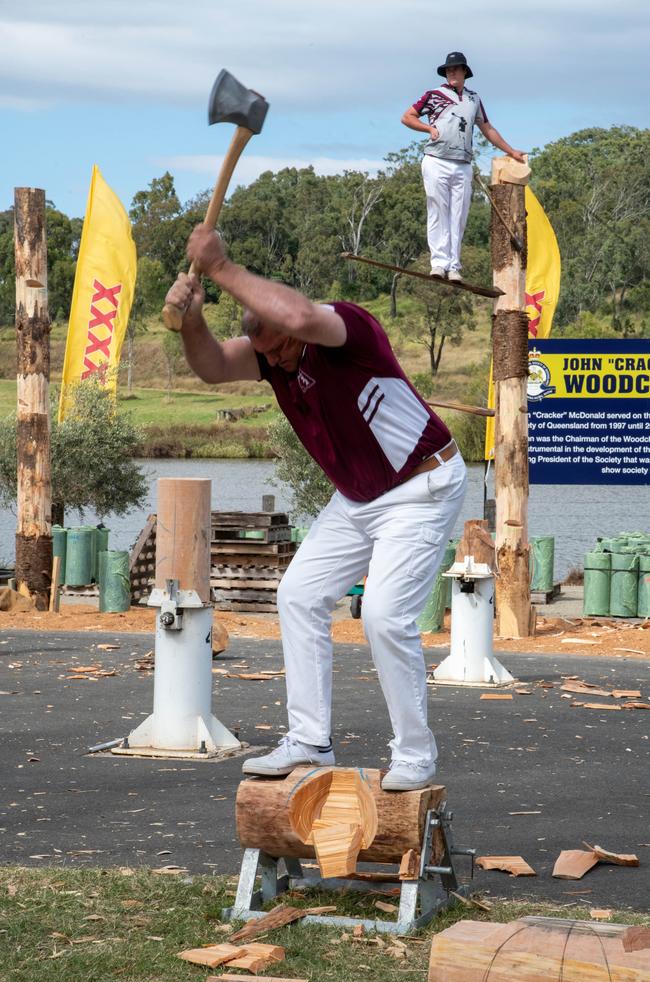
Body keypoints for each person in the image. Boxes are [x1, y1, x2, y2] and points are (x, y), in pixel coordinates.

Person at [164, 225, 467, 790]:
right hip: (359, 497)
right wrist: (194, 319)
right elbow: (210, 366)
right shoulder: (270, 356)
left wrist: (222, 267)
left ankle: (415, 755)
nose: (275, 361)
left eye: (280, 347)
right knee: (299, 595)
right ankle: (309, 741)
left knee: (382, 615)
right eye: (266, 354)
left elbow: (301, 320)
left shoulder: (345, 327)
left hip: (421, 485)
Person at [402, 50, 525, 281]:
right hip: (436, 160)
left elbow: (487, 128)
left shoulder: (473, 99)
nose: (452, 72)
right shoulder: (434, 94)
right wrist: (428, 129)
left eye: (456, 69)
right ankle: (438, 263)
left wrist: (511, 151)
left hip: (462, 163)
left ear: (465, 72)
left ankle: (454, 266)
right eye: (449, 69)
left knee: (459, 215)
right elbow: (407, 117)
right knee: (438, 209)